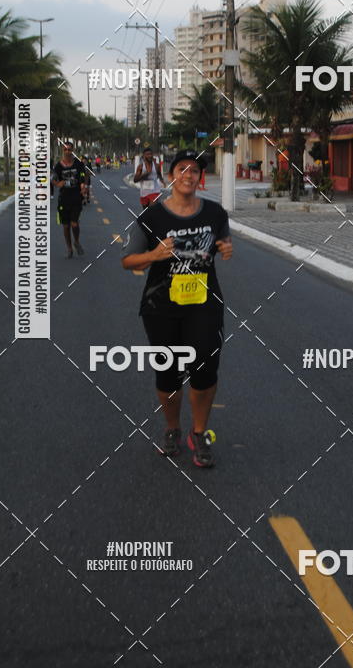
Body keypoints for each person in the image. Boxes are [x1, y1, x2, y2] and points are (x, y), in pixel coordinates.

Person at [122, 149, 233, 468]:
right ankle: (172, 428)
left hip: (204, 305)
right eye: (182, 169)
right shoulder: (151, 217)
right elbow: (128, 260)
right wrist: (154, 255)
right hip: (161, 307)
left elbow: (222, 241)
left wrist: (226, 247)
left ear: (200, 178)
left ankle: (199, 433)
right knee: (168, 373)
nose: (188, 175)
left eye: (194, 170)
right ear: (171, 177)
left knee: (205, 372)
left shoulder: (215, 213)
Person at [52, 142, 87, 258]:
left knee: (74, 223)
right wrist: (58, 184)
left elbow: (83, 176)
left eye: (70, 149)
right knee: (66, 226)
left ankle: (76, 241)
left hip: (76, 197)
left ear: (73, 150)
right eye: (66, 149)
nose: (68, 152)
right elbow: (53, 179)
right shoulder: (58, 166)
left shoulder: (78, 164)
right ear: (63, 150)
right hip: (64, 199)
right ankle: (69, 248)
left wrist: (83, 186)